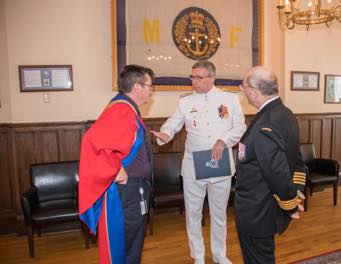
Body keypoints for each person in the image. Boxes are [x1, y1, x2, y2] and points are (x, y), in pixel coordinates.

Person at [152, 60, 246, 264]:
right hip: (194, 166)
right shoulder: (185, 101)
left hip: (220, 164)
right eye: (192, 77)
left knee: (219, 214)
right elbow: (173, 123)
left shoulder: (229, 99)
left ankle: (220, 254)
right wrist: (165, 134)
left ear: (212, 78)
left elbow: (240, 127)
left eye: (199, 77)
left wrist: (224, 141)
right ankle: (199, 256)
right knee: (193, 214)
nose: (194, 81)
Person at [79, 64, 154, 264]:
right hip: (126, 193)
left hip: (132, 190)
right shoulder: (122, 109)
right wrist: (115, 168)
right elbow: (92, 141)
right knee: (125, 243)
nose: (151, 91)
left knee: (132, 243)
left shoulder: (125, 107)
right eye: (149, 86)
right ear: (137, 87)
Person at [234, 66, 306, 264]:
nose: (243, 91)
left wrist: (290, 202)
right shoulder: (285, 113)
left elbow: (276, 170)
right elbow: (297, 159)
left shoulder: (268, 121)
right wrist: (297, 189)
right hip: (263, 205)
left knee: (258, 259)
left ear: (255, 91)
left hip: (258, 208)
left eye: (244, 86)